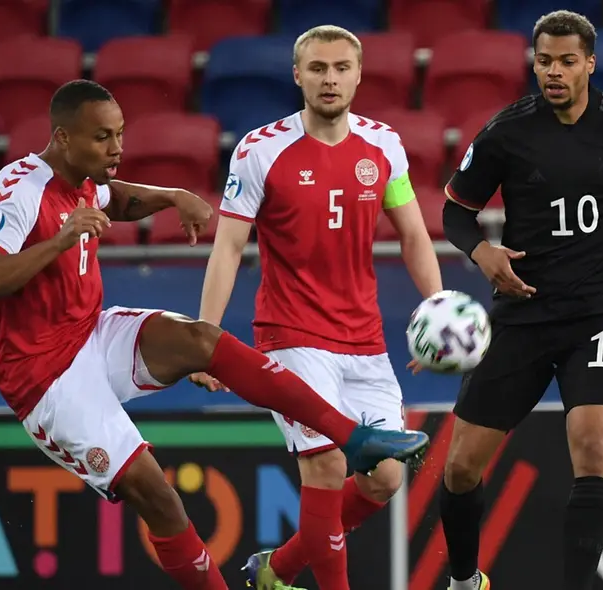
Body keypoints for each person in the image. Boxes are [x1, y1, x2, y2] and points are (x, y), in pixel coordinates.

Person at [0, 79, 430, 590]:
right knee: (156, 494)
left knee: (199, 339)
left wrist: (172, 197)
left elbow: (116, 198)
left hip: (89, 332)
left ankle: (353, 438)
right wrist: (62, 239)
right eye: (103, 138)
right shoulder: (20, 188)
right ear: (63, 138)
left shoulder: (87, 173)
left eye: (120, 134)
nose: (116, 149)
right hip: (44, 377)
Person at [189, 24, 444, 590]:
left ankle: (275, 572)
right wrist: (204, 338)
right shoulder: (260, 150)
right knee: (326, 465)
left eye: (341, 68)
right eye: (319, 68)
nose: (330, 79)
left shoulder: (384, 145)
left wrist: (436, 315)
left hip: (365, 339)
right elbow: (229, 245)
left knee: (381, 481)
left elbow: (413, 235)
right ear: (298, 75)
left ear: (358, 75)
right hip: (292, 336)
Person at [435, 10, 603, 590]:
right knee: (461, 467)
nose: (555, 72)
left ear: (590, 63)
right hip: (522, 316)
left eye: (568, 61)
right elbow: (454, 211)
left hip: (601, 313)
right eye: (544, 61)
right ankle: (466, 581)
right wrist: (482, 252)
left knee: (593, 449)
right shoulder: (505, 131)